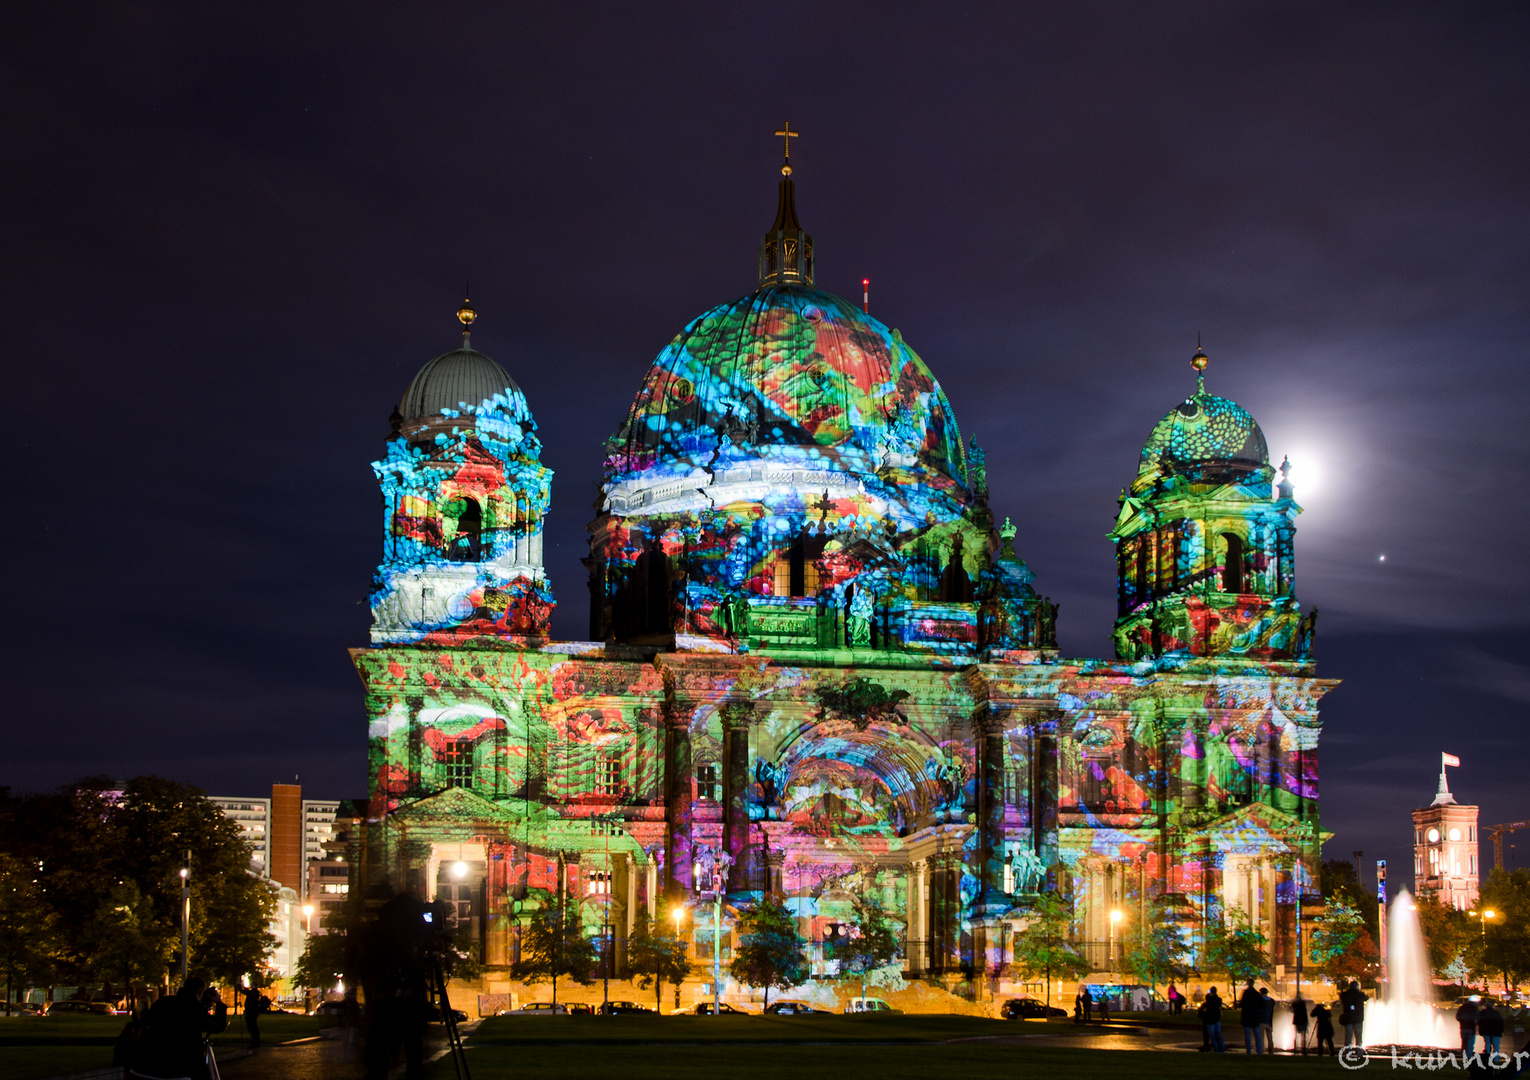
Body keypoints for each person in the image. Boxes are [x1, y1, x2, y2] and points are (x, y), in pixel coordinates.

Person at [130, 977, 229, 1080]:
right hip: (173, 1072)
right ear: (199, 993)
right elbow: (218, 1026)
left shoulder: (163, 1002)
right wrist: (219, 1003)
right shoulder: (190, 1008)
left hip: (142, 1067)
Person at [1339, 980, 1368, 1046]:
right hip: (1358, 1019)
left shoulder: (1345, 995)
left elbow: (1341, 996)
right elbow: (1366, 998)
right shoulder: (1359, 995)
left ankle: (1347, 1053)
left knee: (1348, 1038)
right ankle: (1359, 1053)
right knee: (1358, 1038)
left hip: (1348, 1018)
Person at [1239, 980, 1263, 1053]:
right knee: (1257, 1036)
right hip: (1255, 1017)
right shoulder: (1257, 994)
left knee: (1247, 1036)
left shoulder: (1246, 993)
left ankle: (1248, 1051)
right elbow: (1261, 1006)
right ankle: (1259, 1051)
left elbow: (1242, 1004)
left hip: (1247, 1017)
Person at [1200, 987, 1226, 1052]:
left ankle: (1216, 1049)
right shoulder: (1218, 1000)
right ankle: (1222, 1049)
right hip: (1216, 1019)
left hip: (1210, 1020)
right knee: (1218, 1035)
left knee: (1213, 1036)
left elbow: (1206, 1008)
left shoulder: (1209, 1001)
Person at [1258, 987, 1275, 1054]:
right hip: (1269, 1020)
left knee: (1261, 1037)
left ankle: (1261, 1050)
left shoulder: (1260, 1000)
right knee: (1270, 1037)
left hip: (1261, 1020)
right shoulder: (1271, 1001)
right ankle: (1271, 1050)